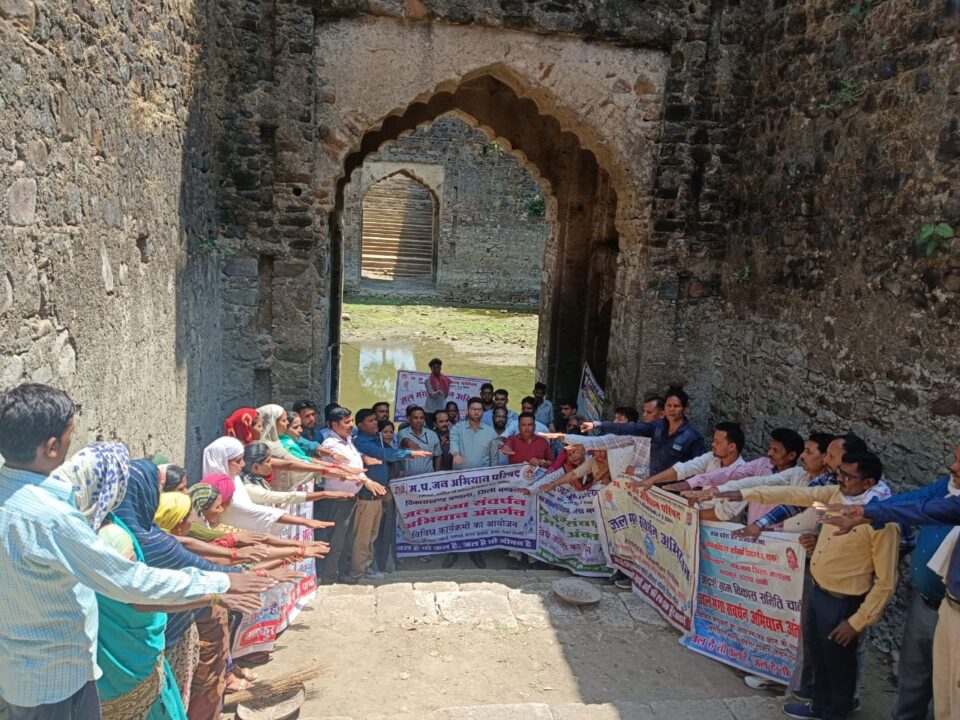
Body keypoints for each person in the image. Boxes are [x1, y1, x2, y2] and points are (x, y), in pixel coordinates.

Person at [0, 384, 271, 720]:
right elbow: (129, 582)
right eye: (70, 434)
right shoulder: (51, 517)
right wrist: (219, 585)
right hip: (56, 680)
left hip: (19, 673)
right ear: (51, 446)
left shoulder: (16, 500)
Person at [715, 451, 899, 720]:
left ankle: (836, 711)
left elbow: (886, 582)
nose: (840, 479)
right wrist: (744, 494)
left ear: (869, 482)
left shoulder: (882, 522)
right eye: (840, 473)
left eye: (848, 476)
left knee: (839, 665)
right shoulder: (835, 496)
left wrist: (857, 622)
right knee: (820, 658)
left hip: (844, 601)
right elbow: (795, 495)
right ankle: (818, 706)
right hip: (820, 591)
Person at [819, 444, 960, 720]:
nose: (953, 467)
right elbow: (916, 500)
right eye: (956, 459)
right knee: (915, 676)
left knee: (949, 698)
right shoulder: (948, 487)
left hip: (952, 612)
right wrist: (867, 511)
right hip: (933, 603)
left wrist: (867, 512)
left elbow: (925, 510)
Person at [202, 437, 334, 535]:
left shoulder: (234, 479)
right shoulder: (222, 488)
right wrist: (303, 521)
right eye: (238, 461)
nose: (242, 464)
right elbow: (258, 511)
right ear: (223, 460)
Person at [352, 409, 426, 581]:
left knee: (372, 536)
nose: (375, 422)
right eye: (371, 420)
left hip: (378, 495)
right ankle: (358, 572)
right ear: (360, 425)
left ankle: (368, 568)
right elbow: (385, 454)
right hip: (366, 495)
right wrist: (410, 453)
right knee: (363, 538)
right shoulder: (362, 442)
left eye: (375, 419)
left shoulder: (376, 439)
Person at [316, 407, 386, 584]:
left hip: (349, 498)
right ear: (334, 424)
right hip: (337, 500)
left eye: (351, 421)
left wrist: (365, 478)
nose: (350, 425)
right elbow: (342, 470)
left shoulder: (347, 441)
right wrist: (366, 482)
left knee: (346, 539)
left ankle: (341, 573)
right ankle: (329, 576)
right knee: (336, 540)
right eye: (346, 422)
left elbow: (356, 467)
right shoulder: (331, 445)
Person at [581, 387, 706, 475]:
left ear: (685, 409)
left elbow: (698, 468)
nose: (672, 409)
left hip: (672, 496)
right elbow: (627, 428)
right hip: (648, 490)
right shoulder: (656, 427)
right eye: (669, 405)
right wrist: (597, 424)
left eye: (676, 406)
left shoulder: (692, 438)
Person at [445, 397, 497, 569]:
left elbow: (494, 458)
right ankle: (453, 551)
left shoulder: (490, 432)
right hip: (459, 482)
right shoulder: (457, 428)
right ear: (467, 410)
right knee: (456, 516)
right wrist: (456, 454)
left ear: (483, 412)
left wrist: (494, 479)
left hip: (482, 483)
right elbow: (453, 443)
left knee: (478, 516)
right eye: (473, 409)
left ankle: (476, 551)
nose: (476, 412)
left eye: (479, 409)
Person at [635, 420, 745, 490]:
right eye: (713, 440)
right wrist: (653, 480)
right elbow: (684, 469)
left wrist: (688, 515)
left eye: (718, 442)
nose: (713, 444)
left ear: (732, 447)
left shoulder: (742, 473)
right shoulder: (712, 457)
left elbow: (725, 514)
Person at [397, 406, 442, 475]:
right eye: (416, 418)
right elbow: (404, 441)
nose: (419, 421)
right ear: (409, 419)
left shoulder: (432, 435)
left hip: (428, 478)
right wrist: (411, 444)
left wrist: (437, 474)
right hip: (409, 478)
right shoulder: (402, 432)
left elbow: (438, 455)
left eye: (421, 418)